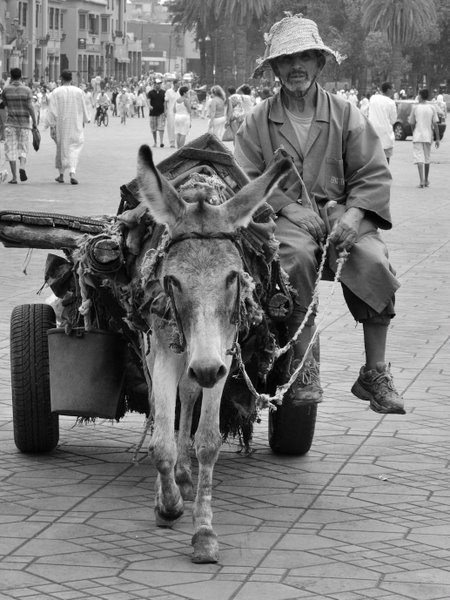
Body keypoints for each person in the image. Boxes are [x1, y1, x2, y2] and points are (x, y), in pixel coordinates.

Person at [234, 13, 405, 415]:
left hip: (342, 215)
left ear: (319, 63)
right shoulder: (259, 120)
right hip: (282, 221)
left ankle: (374, 373)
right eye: (287, 59)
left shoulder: (345, 114)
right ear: (275, 68)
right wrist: (287, 206)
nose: (296, 67)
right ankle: (304, 366)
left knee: (375, 261)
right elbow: (243, 177)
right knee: (293, 261)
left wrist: (355, 214)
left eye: (305, 57)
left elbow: (372, 173)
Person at [46, 70, 90, 185]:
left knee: (62, 149)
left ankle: (61, 175)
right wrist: (85, 119)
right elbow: (84, 107)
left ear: (61, 78)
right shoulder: (79, 91)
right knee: (75, 148)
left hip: (61, 125)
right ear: (71, 79)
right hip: (76, 124)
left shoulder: (56, 92)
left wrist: (51, 124)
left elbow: (52, 110)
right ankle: (72, 172)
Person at [0, 68, 37, 184]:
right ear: (21, 76)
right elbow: (31, 107)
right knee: (23, 147)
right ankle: (22, 167)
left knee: (10, 150)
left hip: (10, 124)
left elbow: (2, 106)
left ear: (11, 76)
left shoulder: (6, 90)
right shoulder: (27, 90)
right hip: (24, 123)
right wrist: (34, 122)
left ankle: (15, 177)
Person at [408, 88, 440, 188]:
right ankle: (426, 180)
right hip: (428, 136)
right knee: (427, 158)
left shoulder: (415, 108)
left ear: (421, 96)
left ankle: (421, 180)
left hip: (418, 135)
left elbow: (412, 123)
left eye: (418, 95)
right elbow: (435, 125)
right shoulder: (432, 108)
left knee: (419, 158)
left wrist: (414, 132)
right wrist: (437, 138)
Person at [368, 82, 397, 164]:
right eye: (393, 89)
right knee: (385, 160)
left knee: (373, 159)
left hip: (372, 134)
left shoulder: (373, 98)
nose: (394, 91)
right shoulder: (391, 103)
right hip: (386, 135)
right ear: (388, 90)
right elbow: (393, 120)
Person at [147, 78, 166, 147]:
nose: (159, 85)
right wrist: (149, 106)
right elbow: (148, 100)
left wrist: (165, 111)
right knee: (153, 129)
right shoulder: (150, 92)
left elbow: (165, 102)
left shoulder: (164, 92)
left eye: (160, 83)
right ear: (154, 84)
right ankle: (155, 142)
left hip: (161, 113)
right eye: (157, 84)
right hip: (153, 113)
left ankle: (161, 142)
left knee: (161, 128)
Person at [165, 80, 179, 147]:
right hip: (170, 111)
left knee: (178, 126)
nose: (179, 85)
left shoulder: (180, 92)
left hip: (179, 112)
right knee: (171, 126)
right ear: (174, 84)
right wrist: (165, 110)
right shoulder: (169, 91)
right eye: (178, 83)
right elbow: (165, 101)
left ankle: (178, 142)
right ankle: (172, 142)